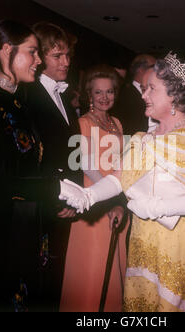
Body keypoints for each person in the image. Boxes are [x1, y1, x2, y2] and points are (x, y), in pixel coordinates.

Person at [59, 52, 185, 312]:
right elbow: (119, 178)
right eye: (144, 88)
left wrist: (158, 207)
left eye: (151, 89)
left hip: (179, 242)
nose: (144, 95)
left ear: (174, 95)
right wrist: (88, 196)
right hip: (142, 240)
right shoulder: (144, 138)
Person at [0, 20, 66, 311]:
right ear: (6, 51)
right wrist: (55, 188)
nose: (39, 60)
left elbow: (28, 166)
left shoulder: (19, 104)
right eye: (33, 52)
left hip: (25, 227)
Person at [20, 22, 82, 310]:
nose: (66, 62)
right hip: (43, 205)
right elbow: (30, 158)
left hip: (65, 201)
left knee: (57, 280)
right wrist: (56, 199)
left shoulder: (64, 97)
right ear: (40, 57)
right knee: (38, 283)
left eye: (67, 55)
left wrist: (76, 193)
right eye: (58, 56)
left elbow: (71, 151)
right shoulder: (27, 96)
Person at [60, 64, 129, 312]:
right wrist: (110, 198)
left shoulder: (117, 123)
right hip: (94, 200)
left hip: (116, 199)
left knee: (112, 266)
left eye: (109, 92)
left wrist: (121, 198)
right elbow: (87, 166)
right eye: (98, 92)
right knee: (92, 267)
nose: (104, 97)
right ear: (89, 94)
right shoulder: (82, 122)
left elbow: (122, 163)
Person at [112, 54, 156, 135]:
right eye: (154, 67)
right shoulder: (122, 95)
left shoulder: (157, 94)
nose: (157, 70)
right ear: (141, 70)